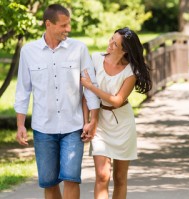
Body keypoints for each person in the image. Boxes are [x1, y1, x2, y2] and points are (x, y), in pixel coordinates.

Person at [14, 4, 100, 199]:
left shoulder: (79, 49)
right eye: (63, 25)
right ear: (48, 24)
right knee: (49, 182)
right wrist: (20, 124)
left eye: (68, 24)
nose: (68, 29)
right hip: (43, 128)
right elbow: (22, 91)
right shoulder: (29, 52)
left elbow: (90, 86)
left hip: (73, 126)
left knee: (71, 178)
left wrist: (92, 120)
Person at [80, 27, 152, 199]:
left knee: (119, 178)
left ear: (125, 50)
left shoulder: (131, 71)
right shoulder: (96, 59)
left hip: (122, 123)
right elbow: (86, 96)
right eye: (111, 39)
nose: (110, 44)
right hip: (100, 122)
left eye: (115, 43)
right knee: (102, 175)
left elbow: (117, 100)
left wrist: (91, 86)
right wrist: (87, 121)